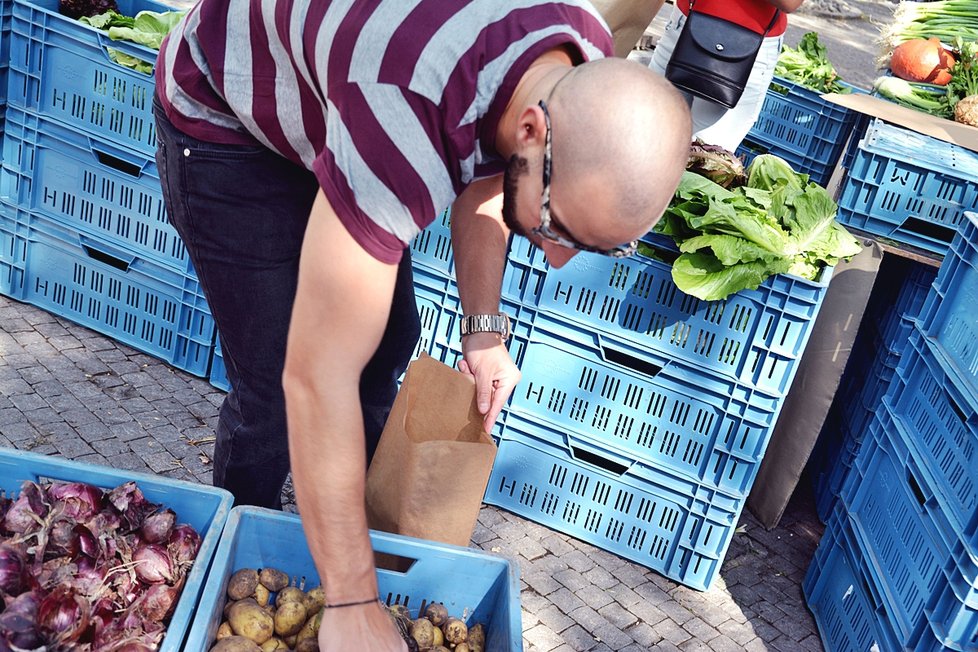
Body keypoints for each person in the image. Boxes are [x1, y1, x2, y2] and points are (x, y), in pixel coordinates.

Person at [154, 0, 691, 648]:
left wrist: (485, 332)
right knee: (274, 384)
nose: (554, 257)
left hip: (339, 102)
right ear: (533, 129)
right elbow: (315, 375)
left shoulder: (573, 46)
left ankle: (349, 539)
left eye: (596, 245)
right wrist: (352, 602)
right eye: (556, 227)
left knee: (387, 349)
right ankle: (241, 546)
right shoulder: (402, 111)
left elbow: (489, 168)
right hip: (229, 119)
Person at [648, 0, 805, 151]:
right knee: (645, 139)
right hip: (686, 21)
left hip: (747, 48)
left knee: (702, 161)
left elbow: (789, 2)